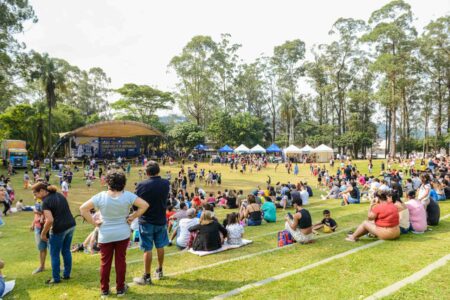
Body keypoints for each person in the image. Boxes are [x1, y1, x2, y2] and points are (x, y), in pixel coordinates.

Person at [80, 170, 149, 297]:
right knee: (120, 261)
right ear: (123, 183)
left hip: (105, 233)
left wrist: (94, 223)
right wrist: (133, 216)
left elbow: (83, 209)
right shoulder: (128, 196)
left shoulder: (101, 196)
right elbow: (144, 205)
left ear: (108, 183)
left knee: (105, 262)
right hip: (122, 233)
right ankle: (120, 289)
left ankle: (104, 290)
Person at [133, 161, 170, 285]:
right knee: (160, 246)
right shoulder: (166, 183)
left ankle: (147, 276)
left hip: (146, 220)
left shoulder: (141, 185)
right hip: (160, 219)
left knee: (147, 248)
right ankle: (160, 270)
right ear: (158, 171)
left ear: (147, 172)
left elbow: (135, 203)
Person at [32, 182, 76, 284]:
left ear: (42, 191)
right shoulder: (59, 194)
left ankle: (56, 278)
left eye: (35, 193)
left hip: (59, 229)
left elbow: (50, 220)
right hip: (71, 225)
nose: (35, 196)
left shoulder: (45, 202)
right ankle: (66, 274)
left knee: (54, 254)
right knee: (66, 251)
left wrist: (43, 233)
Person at [30, 196, 47, 275]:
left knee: (53, 248)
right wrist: (33, 223)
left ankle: (59, 266)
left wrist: (38, 212)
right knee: (41, 248)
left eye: (35, 193)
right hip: (38, 227)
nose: (34, 195)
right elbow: (36, 215)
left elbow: (48, 213)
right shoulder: (37, 201)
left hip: (47, 226)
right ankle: (42, 266)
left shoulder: (47, 200)